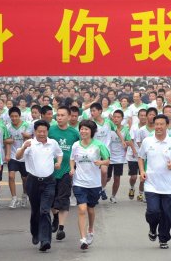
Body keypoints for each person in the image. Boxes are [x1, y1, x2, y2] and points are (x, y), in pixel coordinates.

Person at [16, 120, 63, 252]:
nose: (42, 134)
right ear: (35, 132)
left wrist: (58, 163)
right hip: (33, 182)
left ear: (47, 131)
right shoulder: (29, 144)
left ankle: (45, 240)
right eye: (39, 131)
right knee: (36, 210)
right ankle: (35, 232)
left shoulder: (52, 143)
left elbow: (59, 154)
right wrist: (24, 147)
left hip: (49, 181)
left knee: (44, 210)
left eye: (44, 131)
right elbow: (18, 156)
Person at [138, 114, 171, 249]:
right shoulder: (147, 141)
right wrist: (142, 171)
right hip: (151, 183)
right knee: (153, 211)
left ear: (167, 125)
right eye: (156, 124)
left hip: (168, 185)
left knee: (167, 215)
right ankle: (153, 228)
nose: (158, 127)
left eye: (161, 124)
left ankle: (163, 238)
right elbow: (140, 157)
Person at [70, 120, 110, 250]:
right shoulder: (76, 145)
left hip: (94, 183)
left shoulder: (99, 145)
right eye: (81, 129)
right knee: (82, 209)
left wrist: (101, 162)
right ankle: (83, 238)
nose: (83, 131)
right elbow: (72, 158)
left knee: (90, 209)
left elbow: (108, 161)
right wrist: (72, 169)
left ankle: (91, 229)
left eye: (86, 129)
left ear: (92, 132)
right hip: (79, 182)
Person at [48, 106, 80, 241]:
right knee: (51, 200)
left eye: (62, 115)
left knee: (64, 198)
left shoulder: (74, 133)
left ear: (68, 117)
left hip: (67, 171)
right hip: (49, 171)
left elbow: (79, 149)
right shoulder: (50, 130)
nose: (59, 117)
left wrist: (75, 167)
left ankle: (61, 228)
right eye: (58, 115)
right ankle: (55, 216)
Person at [5, 107, 31, 209]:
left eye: (16, 116)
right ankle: (14, 198)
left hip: (24, 156)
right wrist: (7, 153)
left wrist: (27, 136)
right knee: (11, 176)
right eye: (12, 116)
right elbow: (6, 140)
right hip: (13, 155)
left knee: (25, 178)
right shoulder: (7, 127)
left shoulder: (26, 125)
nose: (14, 118)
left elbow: (32, 137)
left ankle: (24, 195)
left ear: (20, 116)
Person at [106, 110, 132, 203]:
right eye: (114, 117)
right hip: (108, 156)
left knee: (117, 178)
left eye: (118, 117)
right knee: (107, 177)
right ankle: (102, 189)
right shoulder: (108, 127)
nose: (116, 119)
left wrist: (126, 143)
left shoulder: (125, 130)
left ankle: (113, 196)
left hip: (119, 158)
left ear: (122, 119)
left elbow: (129, 141)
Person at [127, 109, 147, 200]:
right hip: (133, 155)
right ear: (138, 117)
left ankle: (140, 194)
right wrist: (134, 150)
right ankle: (132, 187)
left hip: (144, 156)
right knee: (134, 177)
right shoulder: (134, 127)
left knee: (143, 177)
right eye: (141, 115)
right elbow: (130, 140)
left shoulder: (149, 128)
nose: (143, 117)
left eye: (144, 115)